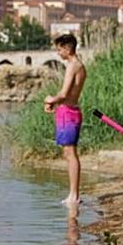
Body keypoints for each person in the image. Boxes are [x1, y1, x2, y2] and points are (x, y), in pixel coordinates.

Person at [43, 33, 87, 210]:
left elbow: (64, 93)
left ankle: (74, 195)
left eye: (59, 49)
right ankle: (72, 193)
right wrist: (55, 104)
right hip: (68, 111)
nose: (58, 53)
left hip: (68, 114)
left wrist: (50, 99)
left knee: (70, 154)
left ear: (67, 48)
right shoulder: (80, 66)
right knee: (67, 154)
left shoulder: (73, 66)